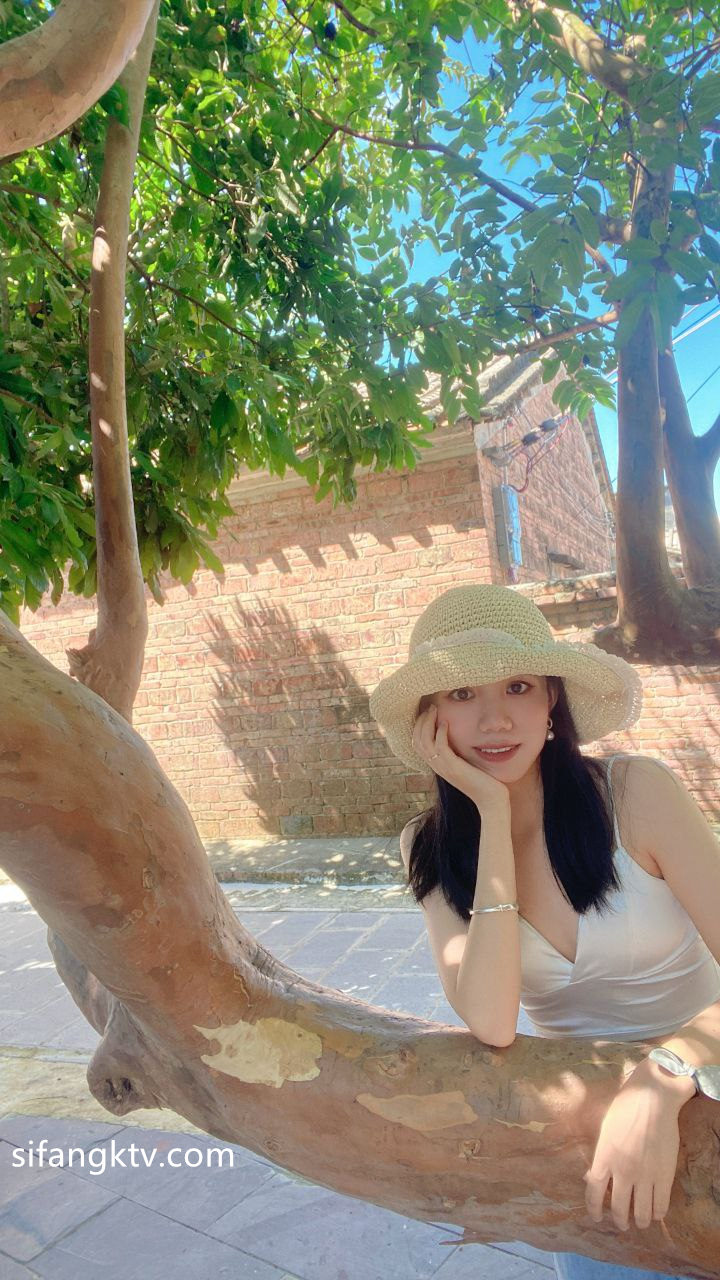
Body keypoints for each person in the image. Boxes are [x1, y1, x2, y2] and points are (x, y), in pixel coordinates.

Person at [368, 583, 720, 1280]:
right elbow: (492, 1022)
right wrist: (492, 816)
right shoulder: (429, 846)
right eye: (462, 693)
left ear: (551, 698)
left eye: (518, 686)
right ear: (431, 716)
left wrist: (665, 1075)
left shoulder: (635, 794)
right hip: (584, 1127)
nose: (495, 719)